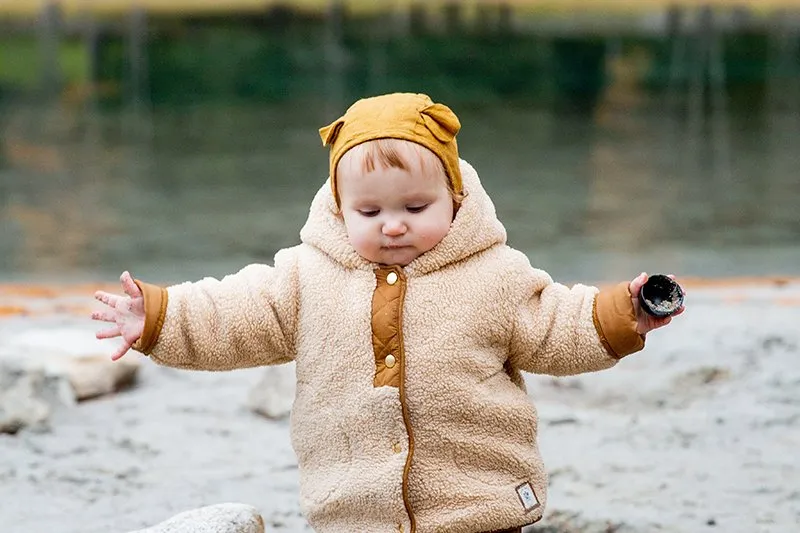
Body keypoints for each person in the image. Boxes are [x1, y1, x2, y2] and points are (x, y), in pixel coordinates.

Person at [92, 92, 684, 533]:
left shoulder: (494, 274)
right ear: (338, 208)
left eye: (415, 206)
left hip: (478, 505)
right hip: (351, 511)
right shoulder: (307, 275)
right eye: (369, 211)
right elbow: (235, 313)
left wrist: (619, 315)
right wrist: (162, 317)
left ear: (455, 199)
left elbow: (555, 323)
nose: (393, 223)